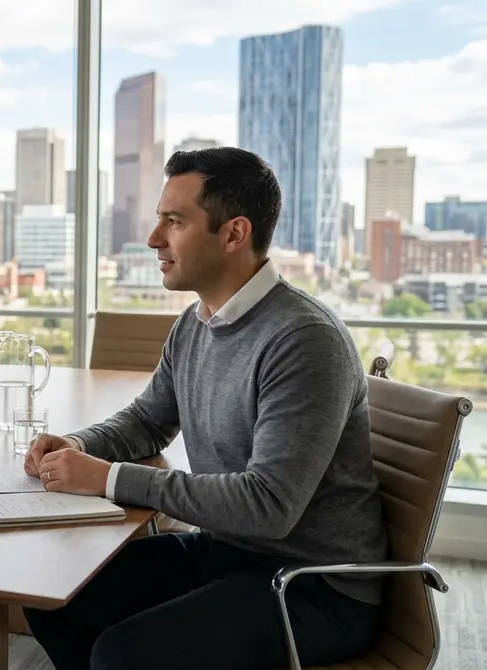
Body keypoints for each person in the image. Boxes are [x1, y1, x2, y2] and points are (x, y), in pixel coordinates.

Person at [21, 147, 388, 670]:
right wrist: (80, 446)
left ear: (234, 233)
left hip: (313, 586)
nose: (153, 239)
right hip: (230, 552)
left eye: (174, 222)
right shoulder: (196, 323)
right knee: (52, 594)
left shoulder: (305, 340)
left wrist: (106, 478)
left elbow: (268, 506)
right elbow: (148, 420)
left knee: (123, 655)